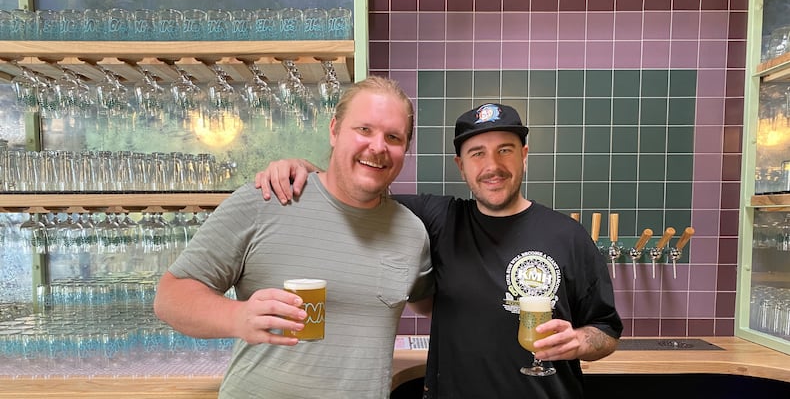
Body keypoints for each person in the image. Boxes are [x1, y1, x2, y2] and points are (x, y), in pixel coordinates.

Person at [257, 102, 623, 398]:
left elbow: (606, 331)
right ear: (460, 166)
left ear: (524, 155)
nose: (492, 166)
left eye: (505, 150)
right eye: (477, 154)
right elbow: (353, 190)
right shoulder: (438, 219)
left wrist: (579, 341)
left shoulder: (569, 236)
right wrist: (303, 169)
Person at [153, 76, 433, 399]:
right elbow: (170, 297)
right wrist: (237, 316)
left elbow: (431, 302)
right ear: (334, 130)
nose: (378, 146)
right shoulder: (267, 199)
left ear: (405, 150)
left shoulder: (412, 233)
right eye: (364, 130)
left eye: (394, 137)